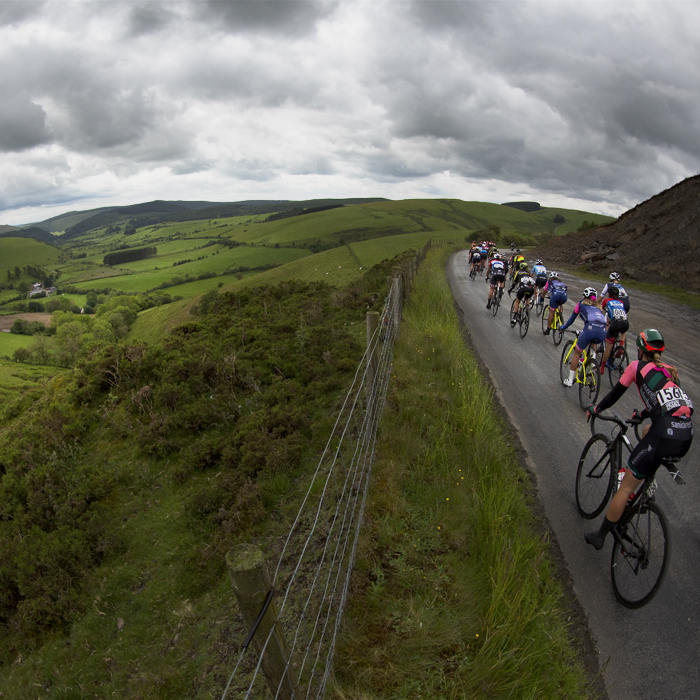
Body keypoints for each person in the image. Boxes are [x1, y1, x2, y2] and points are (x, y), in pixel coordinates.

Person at [585, 329, 693, 549]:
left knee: (625, 487)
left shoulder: (636, 367)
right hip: (685, 435)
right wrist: (641, 415)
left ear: (640, 350)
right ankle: (648, 479)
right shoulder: (672, 371)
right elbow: (668, 404)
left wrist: (597, 407)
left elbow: (614, 394)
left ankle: (600, 536)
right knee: (646, 431)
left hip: (663, 434)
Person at [560, 287, 606, 387]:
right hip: (602, 331)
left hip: (589, 330)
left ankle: (570, 380)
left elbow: (572, 319)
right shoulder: (598, 307)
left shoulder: (581, 303)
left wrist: (564, 326)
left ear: (584, 296)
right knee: (593, 340)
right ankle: (592, 362)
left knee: (577, 352)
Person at [599, 285, 629, 374]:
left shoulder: (606, 301)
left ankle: (601, 368)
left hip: (615, 323)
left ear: (609, 294)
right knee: (622, 332)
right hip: (625, 323)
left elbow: (601, 310)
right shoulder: (620, 302)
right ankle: (621, 348)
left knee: (608, 347)